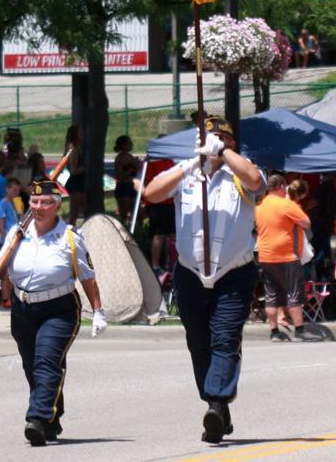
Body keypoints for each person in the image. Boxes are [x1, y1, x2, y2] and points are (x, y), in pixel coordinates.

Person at [142, 115, 265, 444]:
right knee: (199, 343)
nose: (211, 142)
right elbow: (151, 194)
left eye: (219, 137)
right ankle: (218, 408)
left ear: (230, 142)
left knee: (224, 339)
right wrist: (189, 165)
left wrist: (223, 153)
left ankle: (215, 401)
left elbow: (255, 181)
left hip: (233, 274)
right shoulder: (186, 172)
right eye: (207, 137)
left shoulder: (240, 172)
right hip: (191, 273)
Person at [0, 178, 107, 446]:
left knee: (46, 362)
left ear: (57, 206)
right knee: (33, 366)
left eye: (46, 202)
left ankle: (37, 418)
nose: (38, 206)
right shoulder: (18, 233)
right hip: (23, 307)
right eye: (34, 201)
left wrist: (98, 311)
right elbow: (1, 265)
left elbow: (87, 277)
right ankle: (52, 417)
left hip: (59, 308)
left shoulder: (70, 237)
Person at [254, 174, 318, 342]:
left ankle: (274, 332)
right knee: (293, 293)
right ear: (282, 186)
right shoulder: (286, 204)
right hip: (287, 256)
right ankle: (300, 330)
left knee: (271, 295)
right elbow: (306, 222)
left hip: (266, 256)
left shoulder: (260, 206)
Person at [0, 178, 23, 307]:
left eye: (18, 191)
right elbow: (1, 226)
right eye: (14, 190)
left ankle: (12, 296)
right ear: (8, 189)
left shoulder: (16, 203)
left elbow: (21, 221)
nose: (16, 193)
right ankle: (5, 298)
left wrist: (21, 211)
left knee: (14, 270)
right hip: (7, 242)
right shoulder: (3, 204)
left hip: (17, 240)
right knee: (5, 272)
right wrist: (8, 240)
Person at [112, 135, 140, 228]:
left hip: (131, 186)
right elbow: (119, 176)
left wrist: (138, 165)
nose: (132, 144)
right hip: (123, 187)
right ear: (124, 145)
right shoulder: (119, 158)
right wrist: (131, 169)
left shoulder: (130, 156)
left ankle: (135, 230)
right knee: (124, 215)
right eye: (129, 143)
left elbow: (137, 171)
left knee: (135, 212)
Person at [63, 125, 86, 225]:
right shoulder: (73, 149)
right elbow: (74, 170)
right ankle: (69, 235)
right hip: (77, 183)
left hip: (80, 182)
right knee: (75, 213)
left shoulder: (77, 148)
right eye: (80, 134)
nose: (83, 136)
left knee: (81, 212)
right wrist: (88, 167)